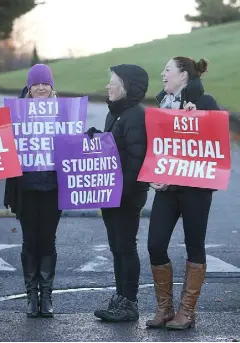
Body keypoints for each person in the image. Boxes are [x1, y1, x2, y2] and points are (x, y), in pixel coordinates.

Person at [146, 57, 219, 330]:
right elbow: (158, 147)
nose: (163, 74)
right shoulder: (162, 104)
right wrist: (154, 175)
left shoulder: (206, 102)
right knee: (155, 244)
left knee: (194, 245)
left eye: (167, 70)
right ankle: (165, 309)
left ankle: (187, 312)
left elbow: (216, 145)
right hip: (168, 189)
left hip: (196, 190)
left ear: (183, 76)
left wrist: (197, 117)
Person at [86, 64, 150, 322]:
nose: (108, 86)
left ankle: (129, 303)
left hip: (127, 194)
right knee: (116, 247)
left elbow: (136, 158)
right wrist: (96, 138)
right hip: (111, 192)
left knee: (125, 246)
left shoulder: (136, 115)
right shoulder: (116, 113)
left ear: (126, 87)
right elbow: (116, 147)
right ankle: (120, 297)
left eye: (112, 82)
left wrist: (122, 192)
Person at [4, 64, 60, 318]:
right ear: (29, 87)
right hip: (26, 188)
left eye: (45, 83)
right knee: (30, 241)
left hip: (53, 188)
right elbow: (5, 150)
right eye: (36, 84)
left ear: (51, 87)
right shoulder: (15, 114)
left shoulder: (63, 113)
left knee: (47, 241)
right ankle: (31, 296)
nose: (40, 88)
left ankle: (46, 295)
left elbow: (72, 142)